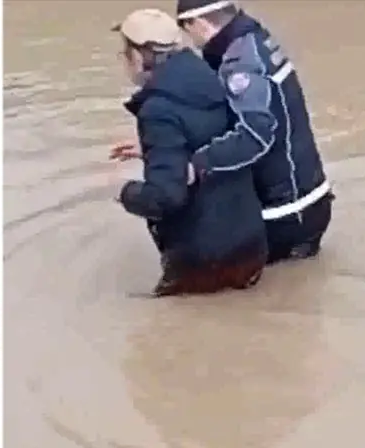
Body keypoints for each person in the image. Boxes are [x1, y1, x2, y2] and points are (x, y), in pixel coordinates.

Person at [109, 9, 266, 296]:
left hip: (202, 261)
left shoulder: (157, 110)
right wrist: (151, 151)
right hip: (250, 245)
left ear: (139, 58)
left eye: (124, 52)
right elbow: (205, 138)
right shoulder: (207, 75)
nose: (123, 60)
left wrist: (127, 193)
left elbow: (167, 196)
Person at [174, 0, 333, 264]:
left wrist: (197, 164)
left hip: (287, 214)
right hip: (308, 201)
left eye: (187, 32)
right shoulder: (253, 39)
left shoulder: (241, 64)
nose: (192, 42)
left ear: (198, 23)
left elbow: (254, 136)